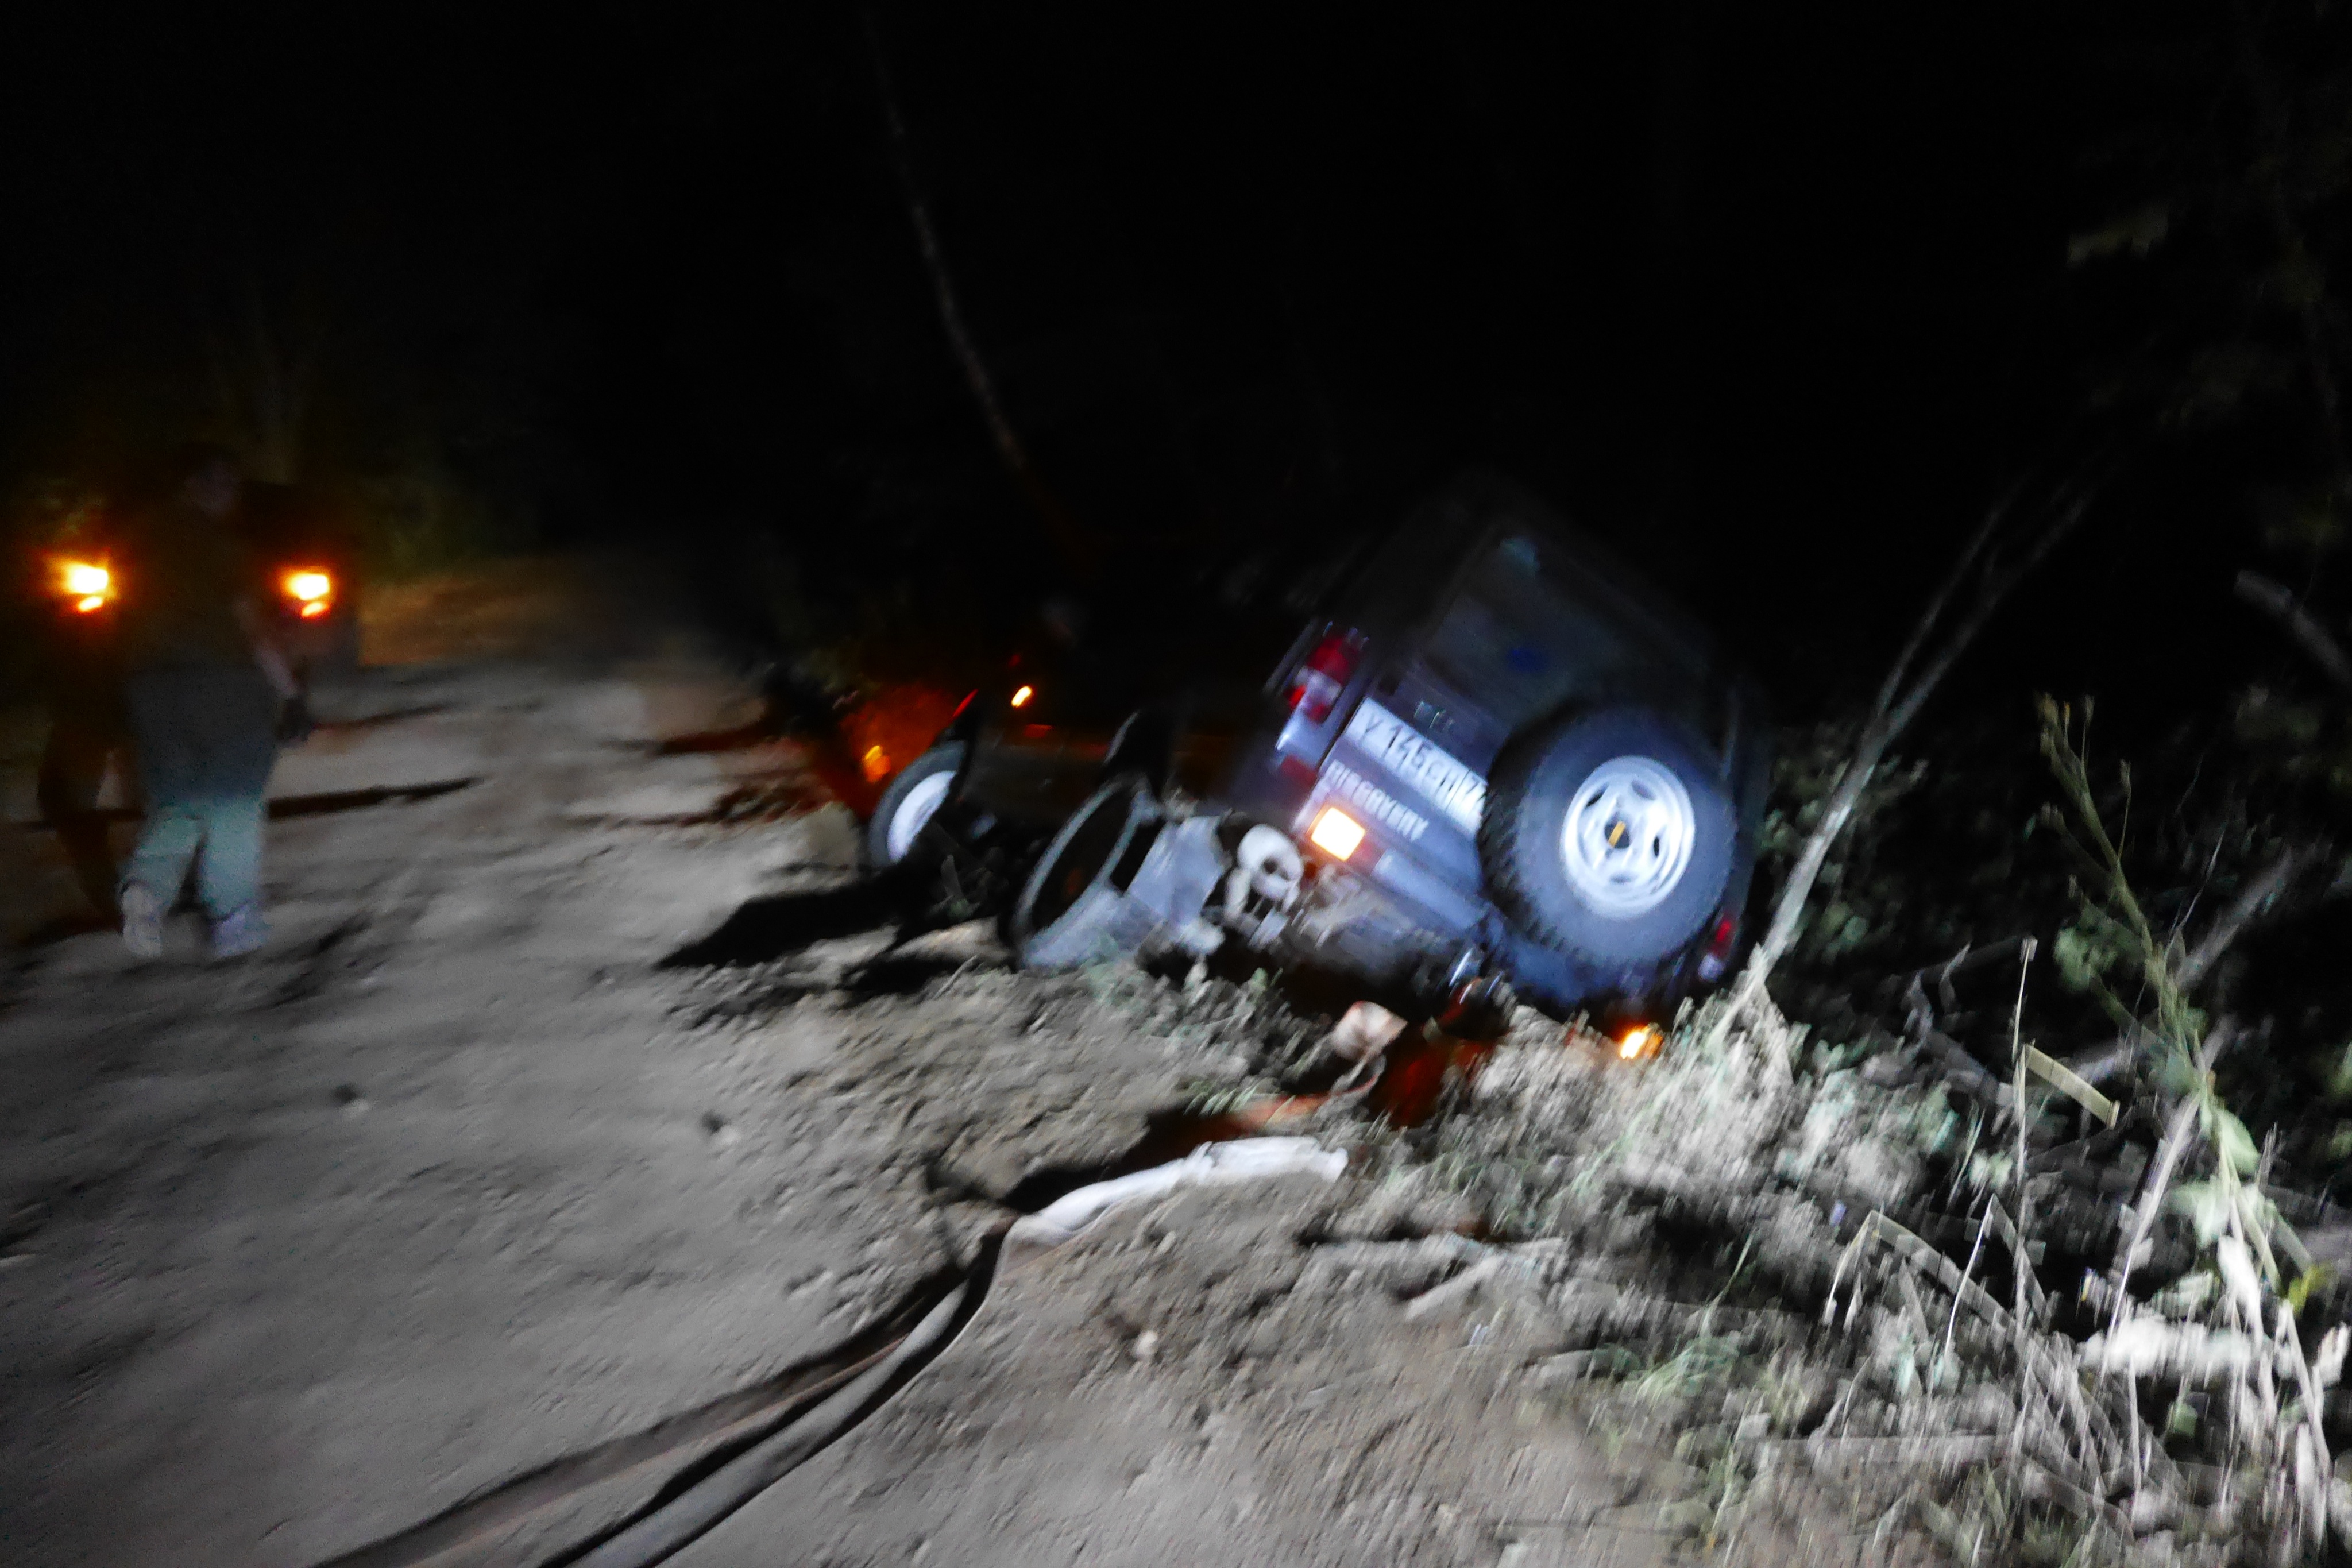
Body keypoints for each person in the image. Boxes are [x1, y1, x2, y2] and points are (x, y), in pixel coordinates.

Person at [113, 450, 312, 960]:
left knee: (178, 803)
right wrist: (291, 695)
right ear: (197, 487)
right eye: (224, 486)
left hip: (151, 689)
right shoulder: (224, 550)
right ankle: (233, 919)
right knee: (233, 802)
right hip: (223, 687)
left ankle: (147, 888)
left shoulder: (135, 548)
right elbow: (254, 632)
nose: (231, 497)